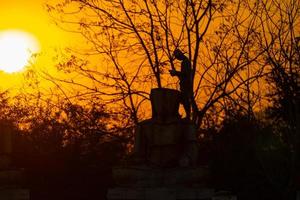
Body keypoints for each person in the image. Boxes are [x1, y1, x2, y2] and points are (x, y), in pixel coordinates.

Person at [169, 49, 193, 119]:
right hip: (184, 84)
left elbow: (185, 74)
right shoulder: (185, 62)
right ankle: (186, 115)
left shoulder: (186, 62)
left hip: (186, 85)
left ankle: (187, 115)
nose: (177, 59)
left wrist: (175, 72)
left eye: (177, 57)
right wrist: (175, 73)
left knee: (184, 100)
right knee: (182, 99)